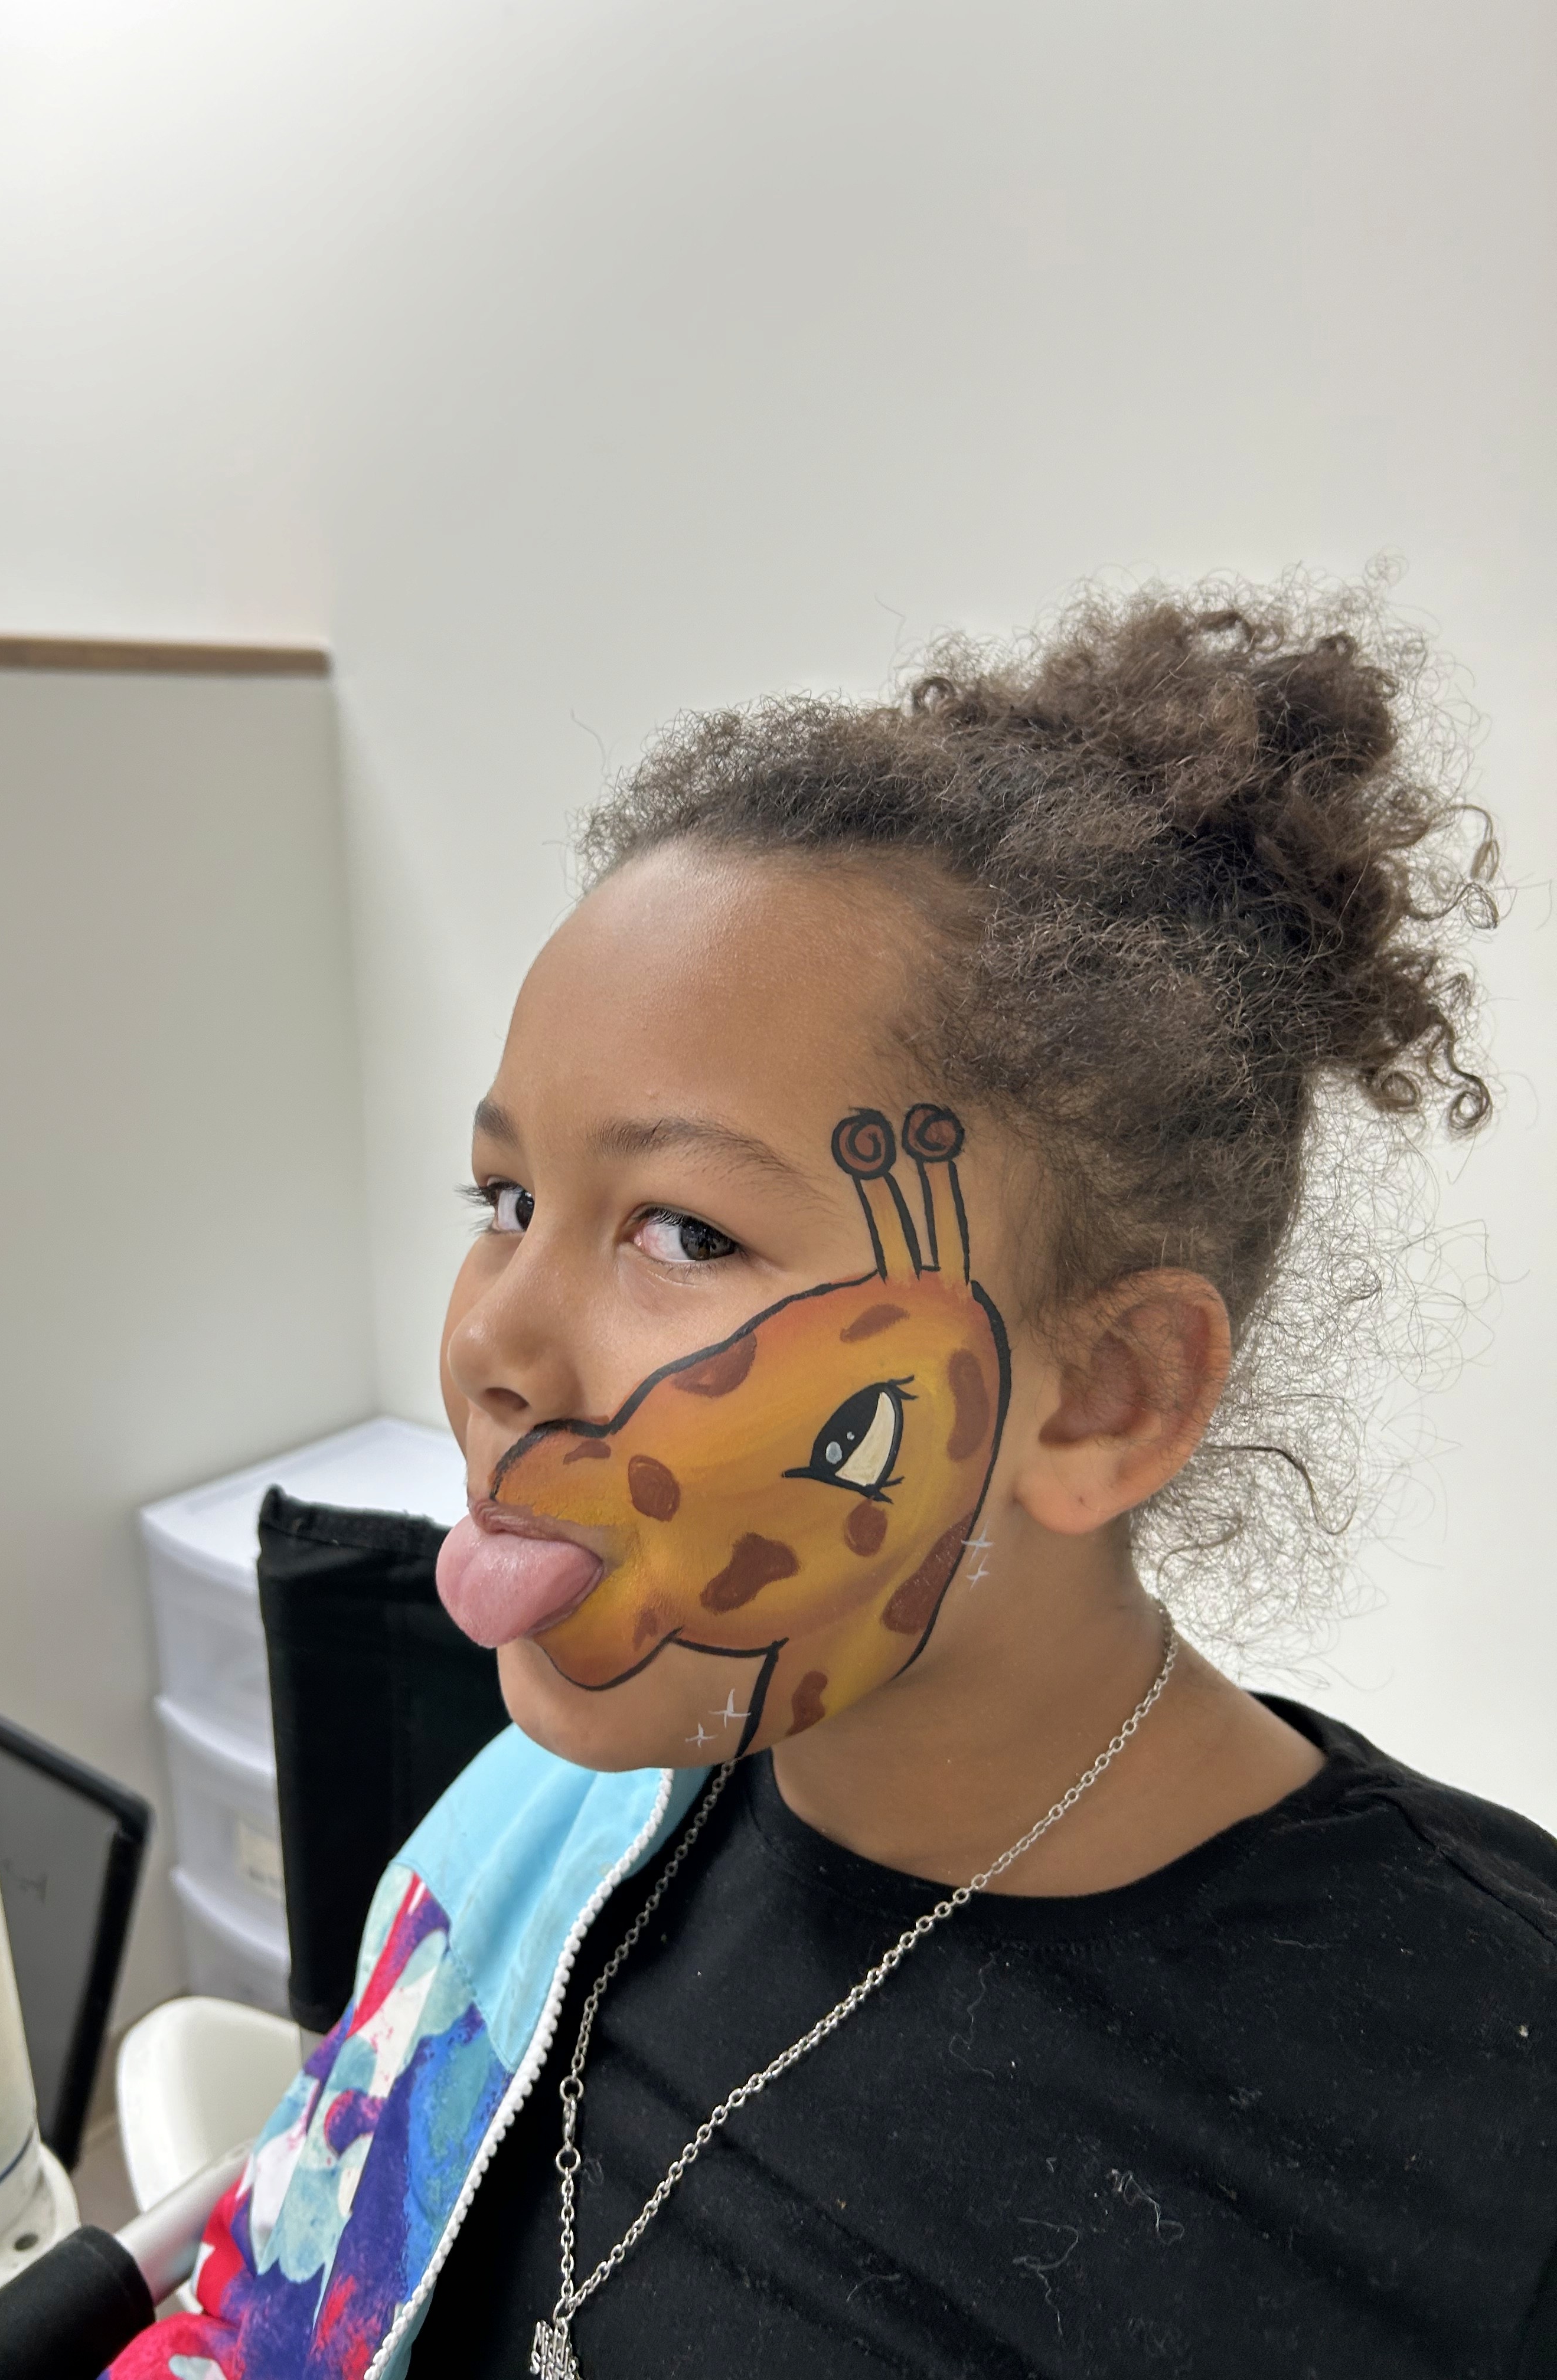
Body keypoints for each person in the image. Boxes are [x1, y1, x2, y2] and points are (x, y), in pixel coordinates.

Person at [109, 581, 1557, 2380]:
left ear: (1105, 1393)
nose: (493, 1341)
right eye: (505, 1202)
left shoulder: (1486, 2133)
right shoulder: (577, 1824)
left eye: (684, 1230)